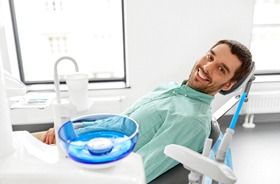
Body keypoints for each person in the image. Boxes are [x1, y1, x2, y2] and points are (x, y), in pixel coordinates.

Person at [39, 39, 253, 183]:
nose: (208, 67)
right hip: (84, 143)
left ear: (227, 85)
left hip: (92, 168)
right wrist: (73, 130)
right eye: (210, 56)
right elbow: (119, 123)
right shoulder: (170, 89)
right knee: (15, 143)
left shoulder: (190, 121)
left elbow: (137, 172)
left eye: (221, 69)